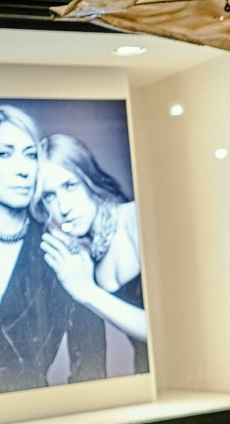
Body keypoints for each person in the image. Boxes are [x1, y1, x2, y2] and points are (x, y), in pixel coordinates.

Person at [0, 105, 104, 398]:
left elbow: (91, 368)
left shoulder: (64, 250)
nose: (24, 169)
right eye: (4, 153)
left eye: (31, 155)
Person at [34, 133, 149, 375]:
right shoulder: (86, 256)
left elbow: (166, 332)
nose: (63, 208)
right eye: (49, 196)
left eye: (70, 185)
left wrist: (87, 291)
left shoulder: (136, 219)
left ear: (88, 178)